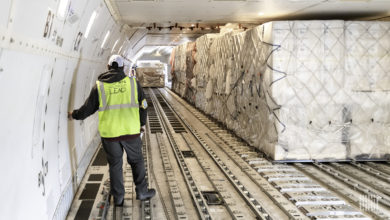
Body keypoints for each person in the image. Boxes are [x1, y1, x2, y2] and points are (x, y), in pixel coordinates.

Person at [68, 55, 155, 206]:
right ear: (123, 68)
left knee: (115, 165)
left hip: (110, 135)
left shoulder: (100, 86)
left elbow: (87, 110)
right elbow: (144, 105)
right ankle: (142, 191)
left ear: (108, 67)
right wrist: (141, 123)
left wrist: (73, 114)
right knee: (136, 161)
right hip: (131, 132)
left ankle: (119, 198)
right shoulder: (133, 83)